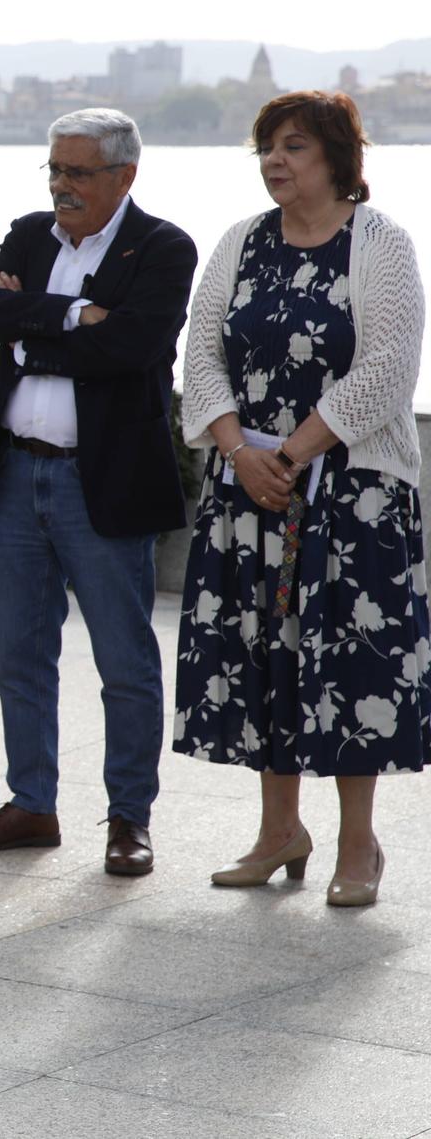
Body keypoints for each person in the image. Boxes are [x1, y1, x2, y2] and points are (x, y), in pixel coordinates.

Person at [175, 91, 427, 908]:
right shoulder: (241, 241)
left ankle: (360, 845)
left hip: (351, 496)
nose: (275, 161)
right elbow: (201, 353)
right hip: (250, 488)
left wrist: (287, 450)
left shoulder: (380, 243)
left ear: (338, 157)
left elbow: (387, 369)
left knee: (349, 666)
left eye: (294, 147)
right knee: (261, 659)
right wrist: (236, 450)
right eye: (266, 148)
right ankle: (278, 829)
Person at [0, 109, 197, 876]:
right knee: (20, 654)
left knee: (124, 660)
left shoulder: (161, 246)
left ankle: (129, 818)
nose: (61, 185)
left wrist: (32, 333)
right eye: (54, 169)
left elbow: (132, 346)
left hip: (104, 482)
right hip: (18, 474)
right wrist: (67, 314)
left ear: (124, 175)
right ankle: (32, 803)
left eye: (77, 172)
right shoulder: (31, 234)